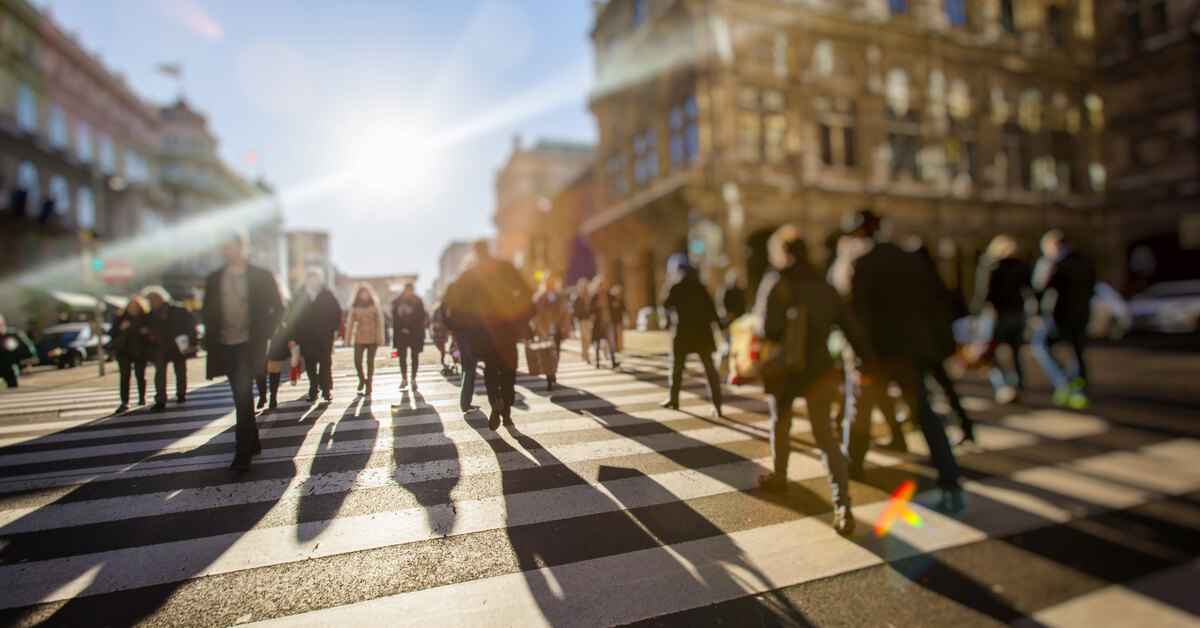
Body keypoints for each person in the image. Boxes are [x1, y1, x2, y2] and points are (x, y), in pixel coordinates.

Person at [845, 209, 964, 511]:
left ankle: (853, 465)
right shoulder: (909, 261)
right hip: (911, 349)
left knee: (861, 409)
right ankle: (948, 471)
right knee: (924, 411)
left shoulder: (863, 264)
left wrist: (860, 353)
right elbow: (933, 302)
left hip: (877, 352)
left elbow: (858, 315)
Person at [754, 226, 868, 535]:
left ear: (782, 253)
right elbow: (848, 325)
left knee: (781, 421)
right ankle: (842, 504)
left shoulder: (776, 281)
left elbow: (769, 329)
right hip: (820, 368)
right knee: (826, 437)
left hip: (787, 369)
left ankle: (780, 476)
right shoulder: (825, 284)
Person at [202, 230, 285, 472]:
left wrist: (265, 333)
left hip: (251, 343)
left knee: (242, 394)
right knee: (242, 394)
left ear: (241, 246)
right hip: (226, 343)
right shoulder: (214, 278)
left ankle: (242, 450)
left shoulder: (261, 276)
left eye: (228, 245)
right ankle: (254, 439)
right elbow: (207, 311)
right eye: (222, 246)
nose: (224, 251)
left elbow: (279, 308)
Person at [445, 240, 532, 430]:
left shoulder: (469, 275)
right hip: (506, 327)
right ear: (488, 249)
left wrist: (461, 325)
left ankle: (495, 401)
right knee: (508, 371)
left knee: (491, 370)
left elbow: (451, 301)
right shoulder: (505, 268)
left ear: (476, 252)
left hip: (482, 332)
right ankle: (507, 413)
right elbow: (526, 291)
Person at [1030, 229, 1096, 409]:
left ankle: (1062, 382)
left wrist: (1037, 313)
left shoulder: (1054, 263)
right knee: (1077, 351)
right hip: (1081, 312)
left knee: (1039, 345)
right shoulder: (1085, 261)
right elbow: (1092, 287)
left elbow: (1041, 288)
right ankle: (1077, 388)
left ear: (1053, 246)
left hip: (1058, 314)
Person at [659, 254, 723, 417]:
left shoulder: (675, 285)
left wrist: (667, 283)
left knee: (677, 367)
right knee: (709, 368)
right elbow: (711, 309)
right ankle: (717, 404)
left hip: (682, 332)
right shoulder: (700, 285)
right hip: (703, 333)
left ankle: (674, 399)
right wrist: (720, 327)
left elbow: (666, 304)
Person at [972, 234, 1031, 404]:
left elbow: (983, 292)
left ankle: (1004, 386)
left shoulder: (991, 265)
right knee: (1015, 353)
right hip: (1017, 314)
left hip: (996, 315)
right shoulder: (1021, 266)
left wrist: (975, 314)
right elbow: (1028, 290)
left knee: (990, 353)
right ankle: (1017, 385)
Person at [291, 267, 342, 403]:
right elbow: (294, 317)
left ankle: (326, 390)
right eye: (310, 279)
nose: (313, 281)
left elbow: (337, 314)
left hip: (324, 336)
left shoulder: (327, 294)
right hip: (307, 337)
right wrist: (296, 337)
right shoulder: (301, 295)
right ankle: (313, 389)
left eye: (315, 279)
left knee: (325, 363)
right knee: (310, 365)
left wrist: (330, 329)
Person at [143, 286, 197, 412]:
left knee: (180, 370)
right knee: (160, 373)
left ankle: (181, 394)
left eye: (154, 299)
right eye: (150, 300)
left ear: (161, 298)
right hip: (160, 346)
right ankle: (161, 399)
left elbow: (190, 326)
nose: (152, 302)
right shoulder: (150, 314)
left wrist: (193, 343)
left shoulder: (178, 309)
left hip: (178, 344)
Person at [111, 295, 152, 413]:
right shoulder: (121, 318)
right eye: (131, 306)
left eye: (136, 307)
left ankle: (142, 397)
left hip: (140, 351)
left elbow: (151, 333)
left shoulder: (145, 318)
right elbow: (112, 332)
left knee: (140, 375)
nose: (133, 309)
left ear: (140, 307)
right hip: (124, 351)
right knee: (124, 376)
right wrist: (122, 328)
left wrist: (145, 332)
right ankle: (124, 402)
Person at [346, 282, 386, 396]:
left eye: (366, 293)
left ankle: (369, 383)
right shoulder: (355, 308)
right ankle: (362, 378)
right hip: (359, 338)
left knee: (370, 362)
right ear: (358, 295)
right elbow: (350, 325)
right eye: (362, 293)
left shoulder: (374, 307)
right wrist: (348, 340)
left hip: (372, 338)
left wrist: (380, 338)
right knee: (357, 361)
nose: (364, 295)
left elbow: (379, 324)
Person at [531, 276, 570, 390]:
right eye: (549, 282)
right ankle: (549, 376)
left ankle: (553, 371)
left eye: (553, 282)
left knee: (556, 352)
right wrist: (536, 326)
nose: (551, 284)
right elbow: (534, 312)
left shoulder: (560, 296)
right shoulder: (539, 296)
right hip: (545, 329)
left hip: (557, 328)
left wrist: (565, 325)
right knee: (546, 354)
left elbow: (566, 311)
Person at [391, 283, 427, 392]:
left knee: (414, 356)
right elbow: (394, 318)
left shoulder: (418, 301)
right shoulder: (397, 301)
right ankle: (404, 378)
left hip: (415, 334)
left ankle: (413, 379)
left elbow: (423, 316)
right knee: (402, 356)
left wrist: (412, 312)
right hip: (401, 333)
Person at [590, 277, 621, 369]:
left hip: (609, 322)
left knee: (611, 341)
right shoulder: (594, 297)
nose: (602, 287)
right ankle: (597, 362)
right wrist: (596, 306)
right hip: (598, 323)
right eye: (600, 285)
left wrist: (615, 306)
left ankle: (613, 360)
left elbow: (616, 308)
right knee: (598, 342)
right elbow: (590, 310)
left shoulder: (609, 296)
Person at [0, 314, 36, 388]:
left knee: (12, 386)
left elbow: (24, 349)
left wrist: (26, 361)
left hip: (10, 367)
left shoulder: (11, 335)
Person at [570, 278, 593, 363]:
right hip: (581, 320)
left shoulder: (589, 297)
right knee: (585, 337)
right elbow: (573, 311)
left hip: (589, 319)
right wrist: (572, 322)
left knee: (588, 338)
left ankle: (585, 354)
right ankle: (585, 356)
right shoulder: (577, 298)